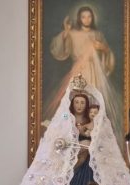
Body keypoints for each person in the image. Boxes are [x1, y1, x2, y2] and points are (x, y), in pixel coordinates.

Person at [46, 5, 122, 144]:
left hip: (95, 71)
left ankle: (94, 134)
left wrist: (103, 48)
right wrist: (66, 31)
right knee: (75, 101)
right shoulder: (73, 33)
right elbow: (59, 48)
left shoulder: (97, 34)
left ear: (92, 18)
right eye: (83, 16)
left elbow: (107, 53)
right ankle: (75, 134)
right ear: (79, 19)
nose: (86, 19)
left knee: (95, 102)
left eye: (89, 16)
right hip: (79, 71)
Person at [64, 92, 100, 185]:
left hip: (88, 167)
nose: (79, 105)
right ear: (72, 104)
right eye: (76, 102)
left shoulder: (90, 121)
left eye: (82, 103)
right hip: (73, 164)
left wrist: (89, 146)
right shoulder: (66, 121)